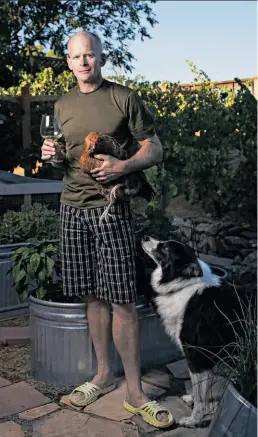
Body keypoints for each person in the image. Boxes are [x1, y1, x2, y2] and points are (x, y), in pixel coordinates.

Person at [41, 31, 173, 429]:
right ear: (68, 62)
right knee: (92, 298)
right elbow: (64, 159)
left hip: (111, 210)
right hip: (72, 209)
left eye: (90, 56)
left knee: (121, 300)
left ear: (102, 58)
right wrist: (53, 156)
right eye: (76, 57)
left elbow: (155, 147)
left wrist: (124, 166)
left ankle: (134, 391)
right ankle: (102, 375)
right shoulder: (62, 104)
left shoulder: (123, 97)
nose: (84, 62)